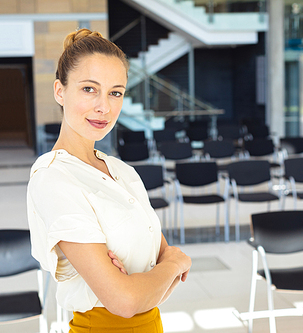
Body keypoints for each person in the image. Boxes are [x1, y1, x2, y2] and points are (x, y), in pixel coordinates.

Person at [27, 28, 191, 333]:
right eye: (89, 89)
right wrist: (173, 264)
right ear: (60, 91)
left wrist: (149, 279)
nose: (104, 107)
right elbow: (125, 301)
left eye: (115, 92)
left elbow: (157, 291)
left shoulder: (122, 172)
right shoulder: (53, 178)